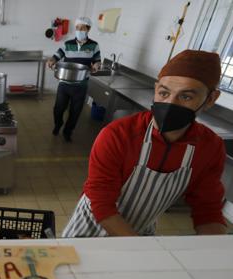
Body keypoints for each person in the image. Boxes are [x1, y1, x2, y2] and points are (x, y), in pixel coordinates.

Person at [62, 50, 227, 237]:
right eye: (164, 93)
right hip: (89, 231)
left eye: (186, 96)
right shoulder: (118, 135)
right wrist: (138, 249)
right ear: (156, 89)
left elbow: (208, 210)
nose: (170, 103)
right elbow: (101, 203)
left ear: (211, 99)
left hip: (140, 231)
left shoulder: (210, 147)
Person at [47, 16, 101, 142]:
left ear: (88, 29)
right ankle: (58, 124)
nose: (79, 30)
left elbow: (97, 61)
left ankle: (68, 131)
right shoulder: (67, 44)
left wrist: (96, 66)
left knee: (75, 112)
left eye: (82, 28)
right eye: (77, 28)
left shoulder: (94, 45)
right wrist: (51, 60)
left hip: (81, 84)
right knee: (58, 108)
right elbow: (57, 55)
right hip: (64, 83)